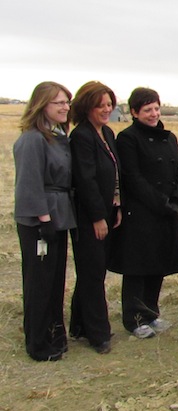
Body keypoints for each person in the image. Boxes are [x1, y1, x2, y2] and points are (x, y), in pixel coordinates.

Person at [108, 88, 178, 339]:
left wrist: (177, 198)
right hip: (141, 214)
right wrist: (160, 203)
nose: (153, 114)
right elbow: (133, 177)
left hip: (167, 212)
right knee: (138, 267)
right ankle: (134, 319)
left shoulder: (169, 137)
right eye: (147, 110)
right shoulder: (128, 139)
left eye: (156, 108)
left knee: (158, 265)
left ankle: (151, 313)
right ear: (134, 112)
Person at [13, 82, 76, 361]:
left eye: (66, 102)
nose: (65, 107)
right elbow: (29, 182)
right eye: (58, 103)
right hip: (40, 221)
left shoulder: (57, 135)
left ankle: (53, 334)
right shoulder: (33, 139)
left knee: (54, 281)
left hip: (59, 217)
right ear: (41, 105)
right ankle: (37, 344)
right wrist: (44, 219)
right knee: (39, 282)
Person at [69, 81, 120, 355]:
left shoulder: (108, 133)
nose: (106, 109)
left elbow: (113, 174)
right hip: (89, 217)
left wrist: (117, 206)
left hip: (109, 212)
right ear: (86, 106)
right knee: (91, 273)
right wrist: (98, 217)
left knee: (95, 270)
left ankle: (78, 324)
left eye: (109, 104)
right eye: (100, 105)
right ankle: (97, 334)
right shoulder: (81, 137)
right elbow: (85, 180)